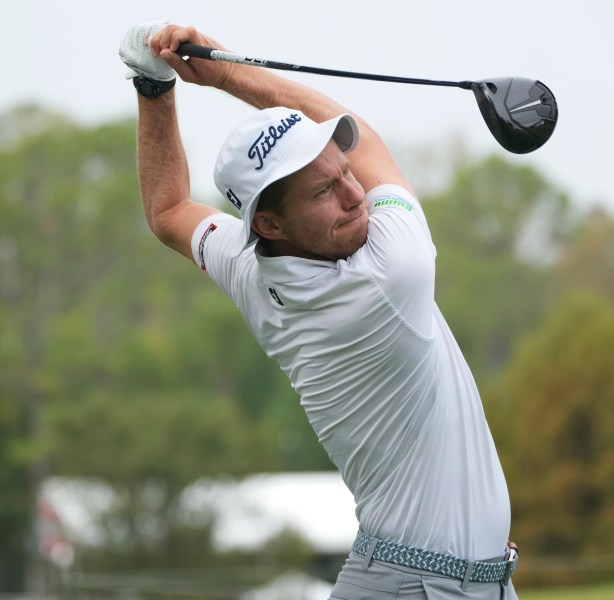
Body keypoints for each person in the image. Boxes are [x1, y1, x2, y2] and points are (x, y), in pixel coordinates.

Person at [119, 20, 519, 599]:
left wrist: (152, 86)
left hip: (446, 582)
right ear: (270, 222)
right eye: (323, 191)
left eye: (344, 173)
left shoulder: (246, 260)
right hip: (418, 588)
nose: (356, 196)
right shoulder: (390, 272)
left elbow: (169, 210)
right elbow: (373, 143)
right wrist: (228, 71)